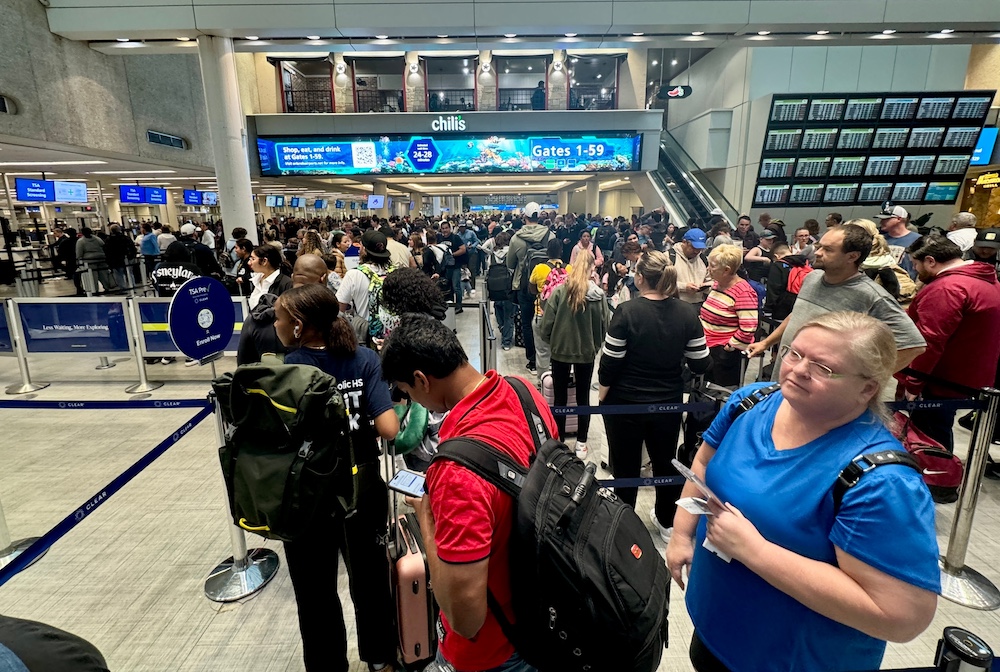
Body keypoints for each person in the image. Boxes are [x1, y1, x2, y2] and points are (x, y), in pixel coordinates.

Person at [667, 311, 939, 672]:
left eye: (824, 368)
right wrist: (682, 534)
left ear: (867, 388)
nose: (797, 370)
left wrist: (755, 551)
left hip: (793, 659)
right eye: (794, 353)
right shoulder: (750, 403)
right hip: (715, 629)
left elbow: (900, 616)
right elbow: (702, 465)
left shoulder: (882, 482)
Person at [380, 314, 558, 672]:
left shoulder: (457, 471)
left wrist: (426, 517)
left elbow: (465, 620)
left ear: (421, 379)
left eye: (407, 391)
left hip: (493, 651)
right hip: (543, 617)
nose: (412, 400)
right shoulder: (524, 393)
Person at [274, 284, 400, 672]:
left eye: (280, 319)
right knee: (371, 580)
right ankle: (380, 658)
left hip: (306, 496)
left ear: (298, 325)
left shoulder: (284, 370)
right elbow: (389, 428)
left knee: (314, 592)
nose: (275, 325)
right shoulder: (364, 358)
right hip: (361, 488)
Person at [599, 251, 710, 540]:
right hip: (668, 403)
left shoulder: (626, 312)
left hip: (625, 403)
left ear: (639, 278)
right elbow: (701, 362)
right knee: (664, 461)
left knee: (626, 466)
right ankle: (666, 522)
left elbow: (610, 362)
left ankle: (624, 527)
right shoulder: (687, 313)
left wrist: (603, 393)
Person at [746, 225, 926, 379]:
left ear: (852, 256)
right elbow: (798, 314)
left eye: (828, 250)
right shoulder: (812, 278)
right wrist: (766, 343)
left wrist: (862, 381)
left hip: (820, 391)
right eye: (819, 246)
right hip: (787, 374)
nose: (818, 253)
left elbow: (913, 345)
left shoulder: (872, 296)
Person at [899, 234, 1000, 452]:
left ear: (930, 261)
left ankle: (939, 473)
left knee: (930, 438)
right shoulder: (986, 280)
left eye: (916, 264)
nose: (915, 270)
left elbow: (929, 340)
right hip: (968, 373)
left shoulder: (947, 288)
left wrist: (913, 383)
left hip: (940, 378)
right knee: (935, 430)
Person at [539, 250, 608, 459]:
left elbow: (546, 325)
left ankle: (559, 441)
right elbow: (605, 325)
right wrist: (595, 345)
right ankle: (582, 442)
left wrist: (553, 341)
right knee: (583, 397)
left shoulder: (560, 292)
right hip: (586, 352)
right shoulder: (598, 295)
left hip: (560, 351)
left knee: (559, 398)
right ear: (592, 268)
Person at [700, 244, 758, 387]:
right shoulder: (717, 284)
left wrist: (729, 347)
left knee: (719, 392)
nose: (708, 269)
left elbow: (749, 328)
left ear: (726, 270)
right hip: (709, 347)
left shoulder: (744, 292)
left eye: (712, 266)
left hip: (724, 354)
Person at [507, 211, 552, 372]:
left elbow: (510, 264)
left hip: (524, 285)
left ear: (524, 218)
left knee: (527, 323)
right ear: (539, 217)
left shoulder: (516, 238)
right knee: (548, 322)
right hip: (547, 285)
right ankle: (548, 360)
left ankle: (532, 361)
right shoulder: (550, 235)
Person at [337, 229, 395, 338]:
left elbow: (339, 310)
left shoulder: (354, 274)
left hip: (365, 334)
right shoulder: (397, 272)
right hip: (392, 335)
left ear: (363, 249)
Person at [876, 205, 919, 279]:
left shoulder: (917, 240)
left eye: (886, 219)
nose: (881, 222)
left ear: (899, 219)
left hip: (907, 281)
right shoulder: (880, 239)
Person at [488, 231, 516, 350]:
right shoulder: (511, 253)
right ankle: (506, 341)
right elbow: (513, 270)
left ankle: (502, 327)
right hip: (508, 289)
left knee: (498, 309)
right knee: (509, 315)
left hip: (495, 289)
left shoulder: (492, 255)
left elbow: (488, 269)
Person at [672, 229, 711, 306]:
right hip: (676, 304)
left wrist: (706, 286)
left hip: (699, 304)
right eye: (693, 247)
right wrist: (684, 287)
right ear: (684, 242)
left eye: (700, 249)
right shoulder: (669, 257)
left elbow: (711, 280)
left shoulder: (704, 259)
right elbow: (662, 283)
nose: (696, 251)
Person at [248, 244, 293, 310]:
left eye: (253, 259)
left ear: (264, 261)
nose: (249, 263)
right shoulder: (256, 280)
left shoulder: (286, 283)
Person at [436, 221, 467, 312]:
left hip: (455, 266)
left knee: (456, 287)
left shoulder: (456, 238)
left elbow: (463, 249)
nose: (445, 230)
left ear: (450, 228)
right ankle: (450, 306)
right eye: (443, 228)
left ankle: (459, 306)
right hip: (444, 268)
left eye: (446, 228)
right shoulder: (439, 238)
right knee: (447, 287)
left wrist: (452, 255)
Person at [75, 227, 113, 293]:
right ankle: (106, 287)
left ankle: (95, 289)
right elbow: (103, 246)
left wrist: (79, 259)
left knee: (92, 276)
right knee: (103, 274)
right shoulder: (97, 239)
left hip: (89, 260)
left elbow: (79, 252)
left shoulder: (80, 241)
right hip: (101, 258)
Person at [104, 224, 137, 291]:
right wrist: (132, 255)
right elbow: (132, 247)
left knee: (118, 274)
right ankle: (132, 286)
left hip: (116, 259)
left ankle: (122, 287)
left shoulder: (109, 239)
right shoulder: (126, 238)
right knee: (129, 272)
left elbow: (107, 250)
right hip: (127, 257)